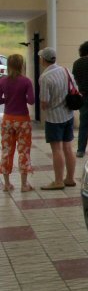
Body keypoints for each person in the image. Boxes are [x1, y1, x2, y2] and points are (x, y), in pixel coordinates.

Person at [38, 47, 77, 190]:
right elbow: (75, 88)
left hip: (54, 119)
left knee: (56, 149)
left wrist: (45, 106)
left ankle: (58, 181)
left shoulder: (45, 77)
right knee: (68, 147)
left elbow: (44, 101)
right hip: (68, 115)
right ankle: (70, 179)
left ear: (43, 59)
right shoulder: (65, 70)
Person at [0, 54, 35, 192]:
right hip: (23, 121)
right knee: (24, 151)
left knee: (6, 151)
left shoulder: (3, 81)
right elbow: (31, 101)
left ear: (9, 65)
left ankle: (7, 184)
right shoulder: (26, 81)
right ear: (21, 65)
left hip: (7, 120)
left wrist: (7, 99)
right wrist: (22, 98)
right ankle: (24, 185)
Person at [72, 40, 88, 158]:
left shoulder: (76, 63)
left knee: (83, 125)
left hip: (82, 96)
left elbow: (75, 79)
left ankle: (80, 150)